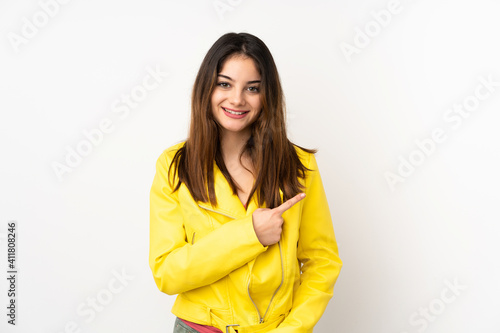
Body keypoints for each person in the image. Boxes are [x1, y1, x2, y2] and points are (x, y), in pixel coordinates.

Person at [149, 32, 342, 333]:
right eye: (224, 84)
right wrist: (250, 234)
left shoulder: (300, 166)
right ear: (206, 88)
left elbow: (323, 262)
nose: (237, 99)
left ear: (268, 95)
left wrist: (292, 330)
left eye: (252, 88)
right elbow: (167, 274)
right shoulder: (174, 166)